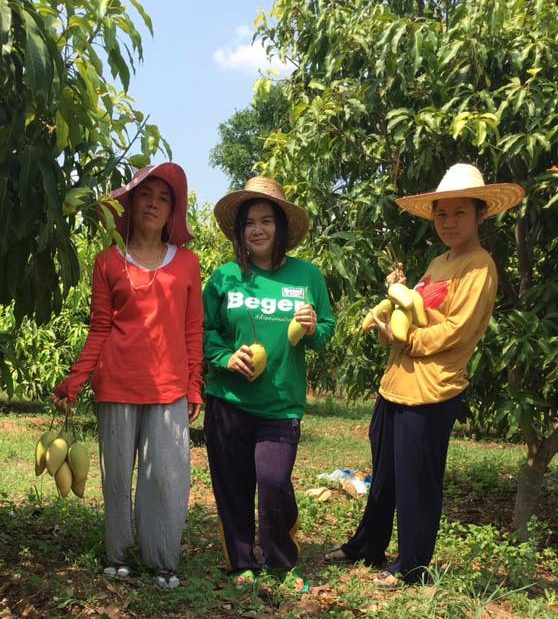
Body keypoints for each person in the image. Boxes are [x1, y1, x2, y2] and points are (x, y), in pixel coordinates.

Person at [324, 163, 524, 589]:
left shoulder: (479, 267)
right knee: (386, 475)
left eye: (459, 213)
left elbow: (457, 331)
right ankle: (368, 546)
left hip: (432, 390)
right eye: (441, 214)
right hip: (395, 383)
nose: (448, 222)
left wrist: (406, 338)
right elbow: (413, 312)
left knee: (418, 482)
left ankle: (413, 566)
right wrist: (393, 310)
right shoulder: (438, 262)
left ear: (480, 215)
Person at [53, 163, 203, 589]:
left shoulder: (187, 264)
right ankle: (117, 554)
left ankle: (163, 561)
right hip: (116, 382)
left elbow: (193, 329)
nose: (153, 203)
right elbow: (100, 326)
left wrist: (193, 385)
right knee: (117, 475)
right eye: (145, 195)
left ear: (172, 210)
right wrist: (74, 381)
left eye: (163, 197)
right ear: (130, 204)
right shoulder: (107, 261)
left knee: (166, 477)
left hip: (169, 387)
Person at [203, 177, 335, 590]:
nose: (257, 230)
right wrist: (227, 357)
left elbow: (327, 331)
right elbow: (204, 332)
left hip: (280, 402)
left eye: (265, 221)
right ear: (240, 232)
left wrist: (314, 328)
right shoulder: (224, 278)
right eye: (249, 223)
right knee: (233, 485)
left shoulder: (307, 276)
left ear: (280, 227)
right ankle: (241, 562)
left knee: (274, 482)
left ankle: (281, 560)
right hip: (228, 400)